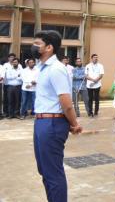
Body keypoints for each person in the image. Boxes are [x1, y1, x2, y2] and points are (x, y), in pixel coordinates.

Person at [32, 30, 82, 201]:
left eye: (38, 44)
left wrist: (74, 124)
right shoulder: (42, 68)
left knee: (52, 171)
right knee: (44, 170)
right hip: (41, 122)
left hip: (52, 123)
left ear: (49, 47)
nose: (34, 46)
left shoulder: (57, 69)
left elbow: (66, 102)